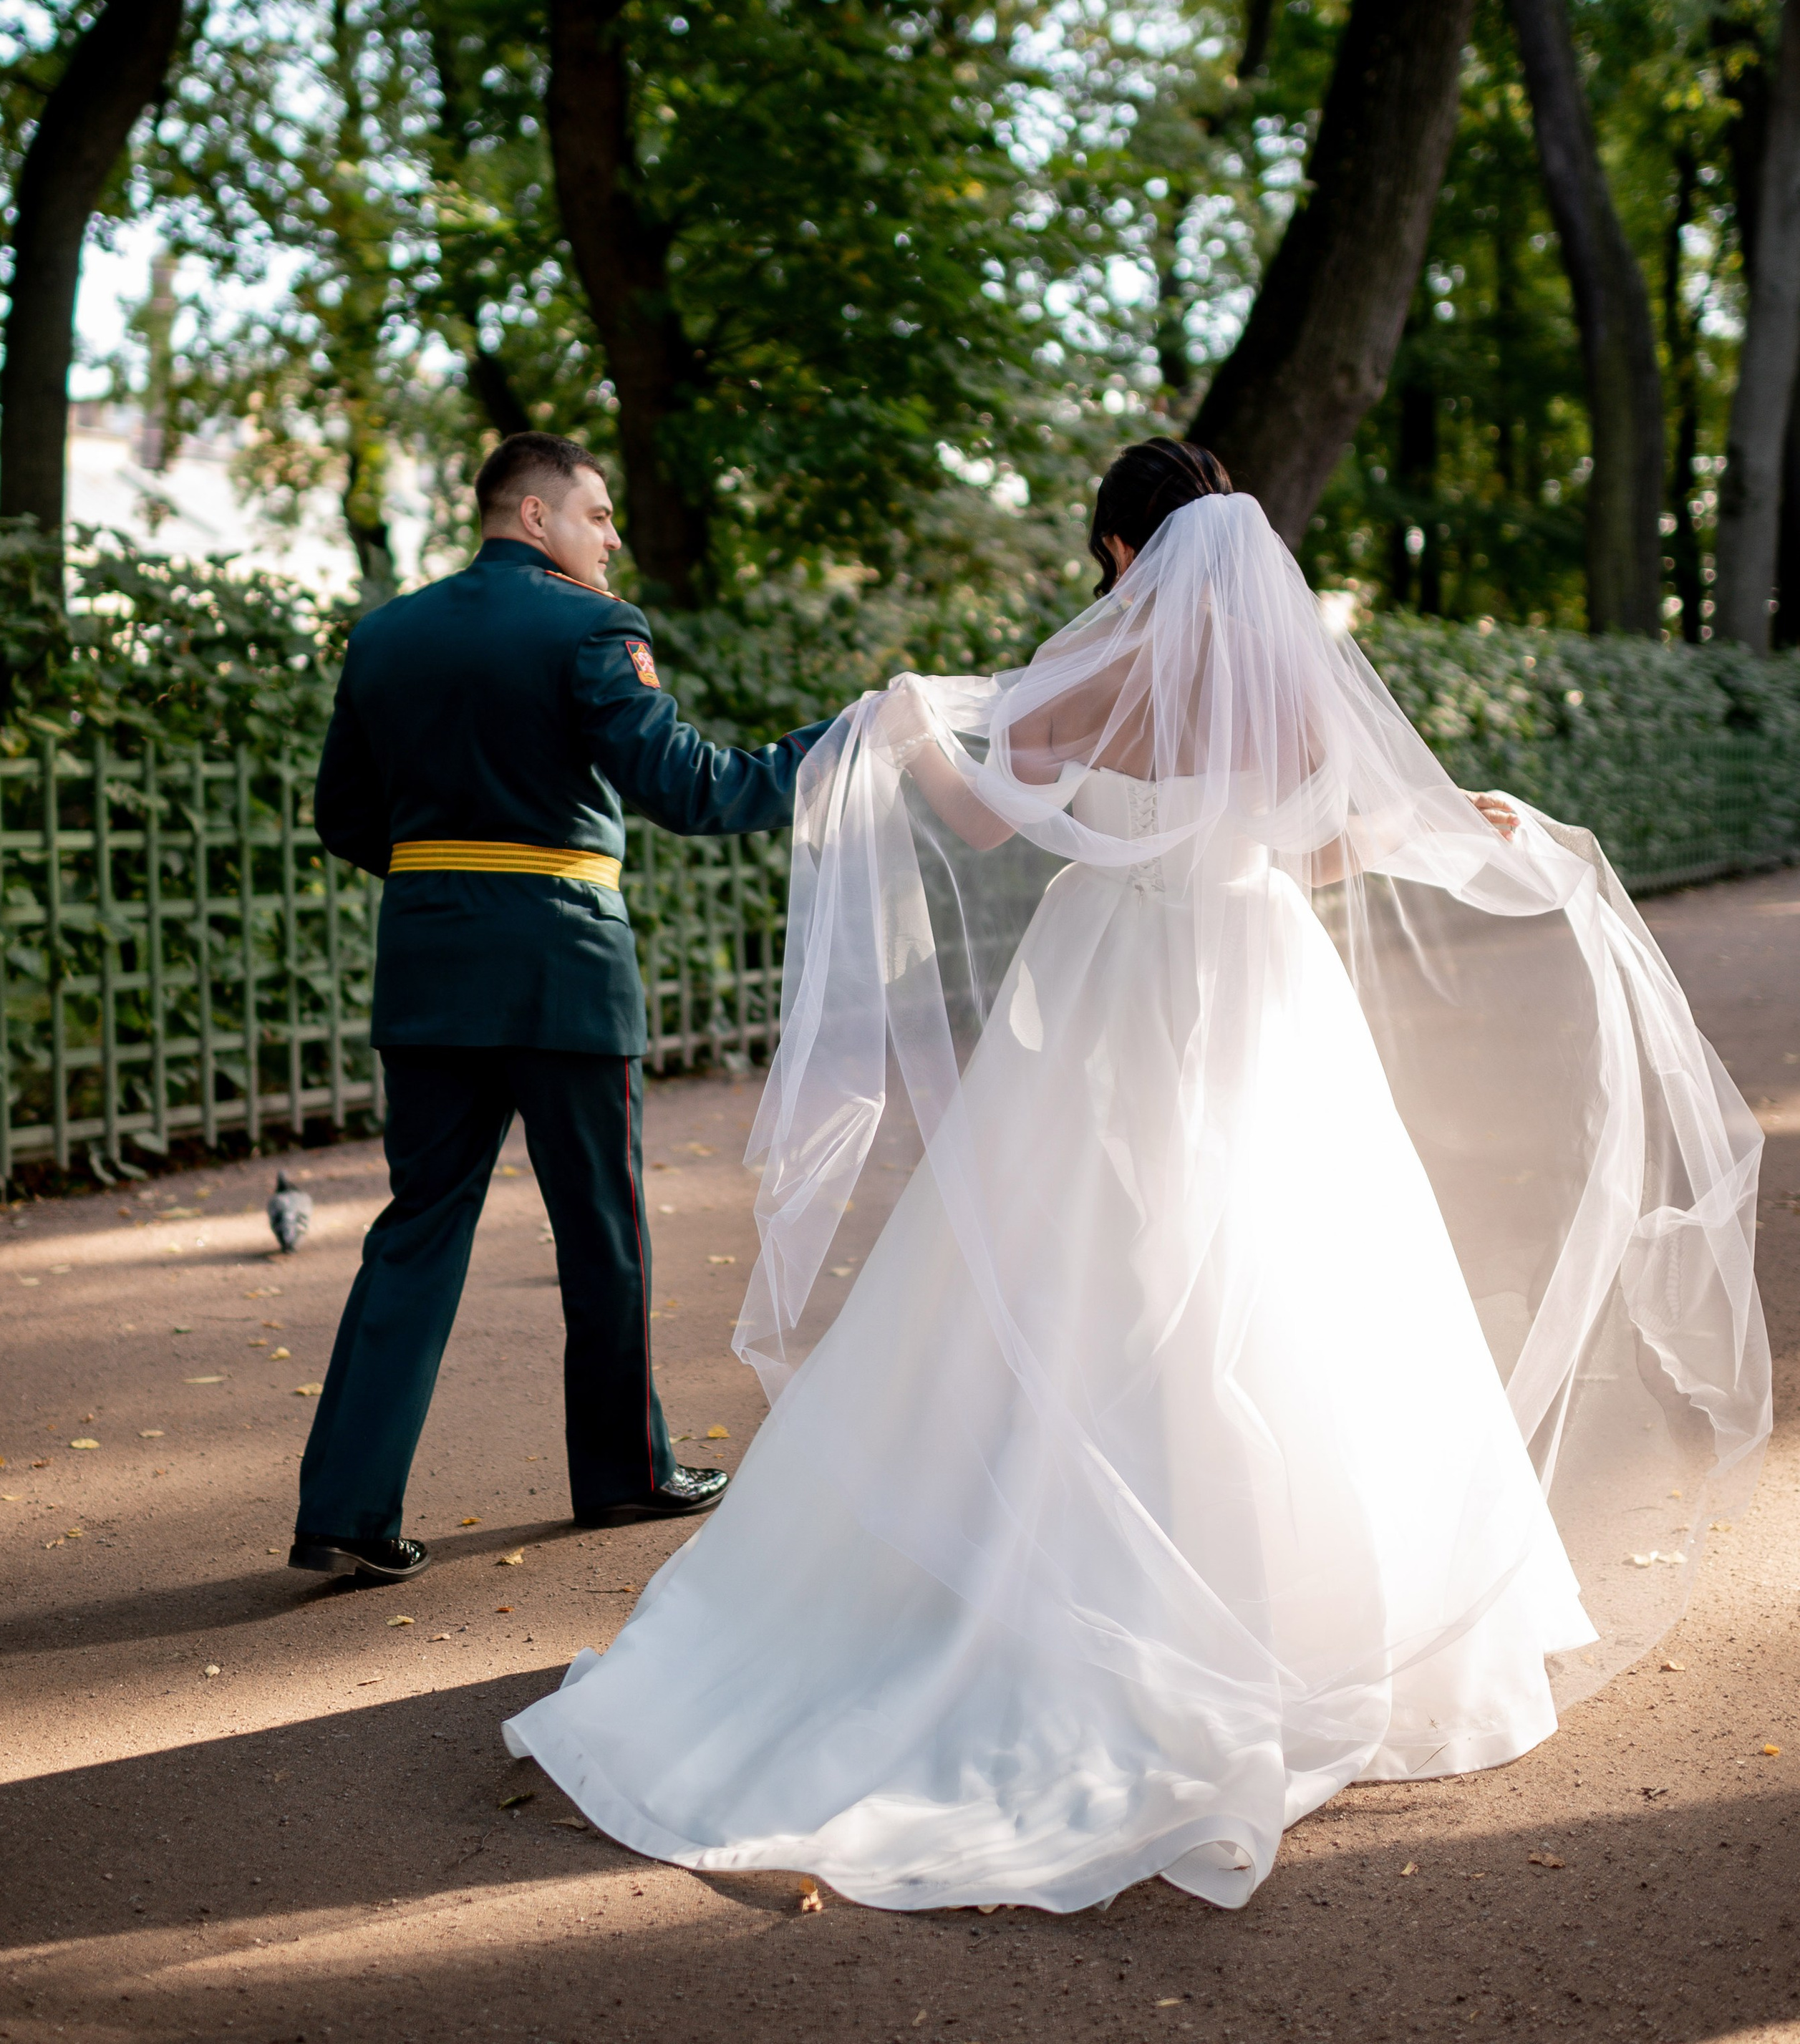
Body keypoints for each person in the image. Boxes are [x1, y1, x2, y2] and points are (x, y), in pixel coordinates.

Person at [500, 436, 1770, 1912]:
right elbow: (1316, 854)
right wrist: (1460, 826)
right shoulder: (1289, 682)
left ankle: (1030, 1582)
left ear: (1120, 552)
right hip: (1260, 983)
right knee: (1289, 1258)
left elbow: (980, 815)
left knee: (1074, 1261)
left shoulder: (1101, 673)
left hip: (1115, 977)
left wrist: (904, 725)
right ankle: (1332, 1604)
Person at [288, 433, 833, 1584]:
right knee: (603, 1230)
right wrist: (839, 747)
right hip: (564, 972)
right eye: (597, 514)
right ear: (534, 517)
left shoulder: (385, 634)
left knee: (416, 1231)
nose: (612, 537)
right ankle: (624, 1472)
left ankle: (344, 1505)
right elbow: (691, 788)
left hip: (428, 969)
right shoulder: (592, 628)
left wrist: (451, 881)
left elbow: (343, 817)